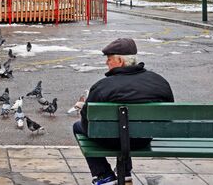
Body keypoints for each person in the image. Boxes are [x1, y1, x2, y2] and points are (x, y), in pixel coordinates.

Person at [73, 38, 174, 185]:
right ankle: (125, 173)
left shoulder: (103, 87)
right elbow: (168, 116)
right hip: (143, 139)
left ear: (120, 61)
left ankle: (104, 175)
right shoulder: (159, 81)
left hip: (110, 141)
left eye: (109, 59)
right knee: (129, 127)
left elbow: (87, 123)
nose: (106, 63)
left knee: (78, 126)